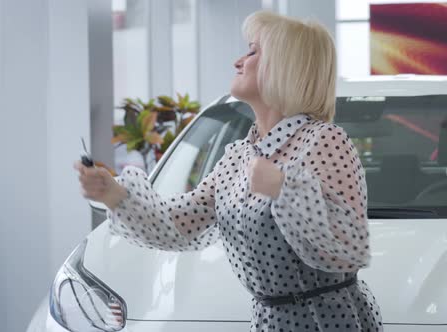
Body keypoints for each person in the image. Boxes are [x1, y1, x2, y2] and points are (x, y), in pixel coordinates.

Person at [75, 10, 382, 332]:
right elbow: (180, 225)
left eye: (252, 51)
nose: (238, 61)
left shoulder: (323, 139)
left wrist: (284, 188)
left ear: (285, 65)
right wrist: (114, 194)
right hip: (270, 322)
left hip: (326, 322)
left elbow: (349, 247)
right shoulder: (238, 156)